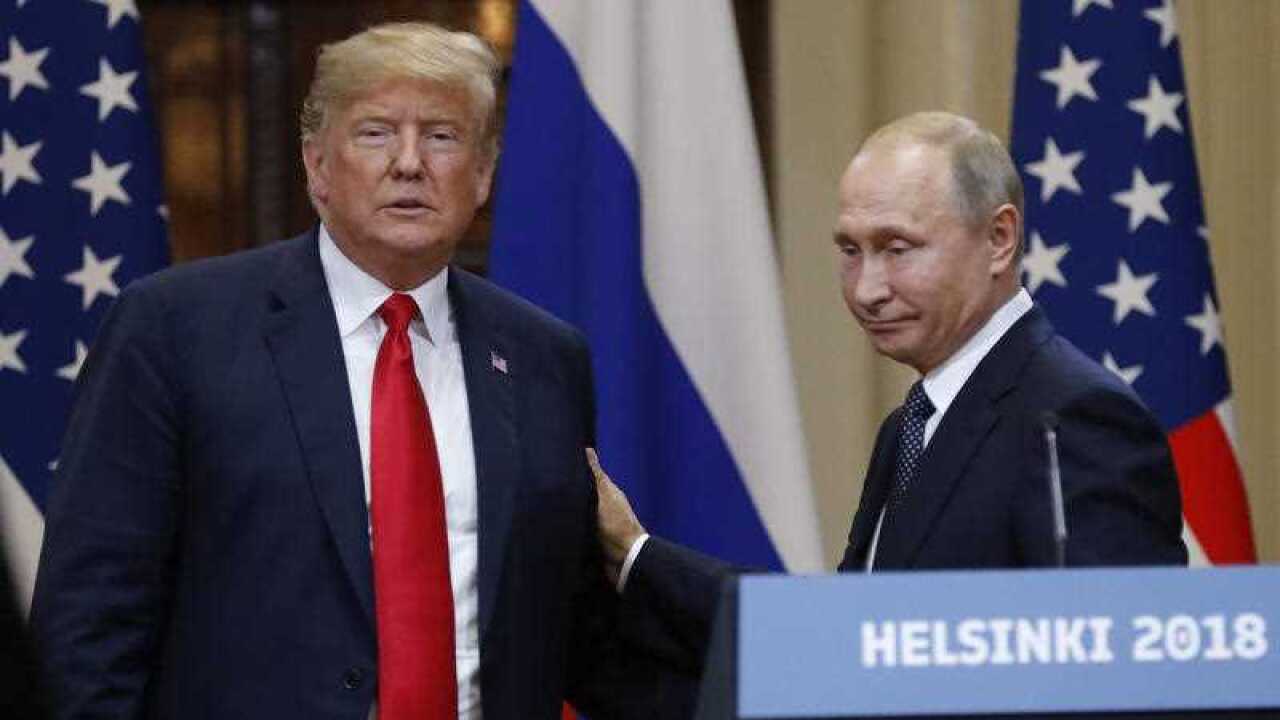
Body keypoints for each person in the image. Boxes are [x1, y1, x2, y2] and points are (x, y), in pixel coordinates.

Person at [32, 22, 694, 720]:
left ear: (484, 173)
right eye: (375, 133)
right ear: (317, 164)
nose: (409, 163)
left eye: (442, 136)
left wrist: (787, 679)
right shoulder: (175, 329)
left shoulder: (545, 358)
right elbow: (88, 628)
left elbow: (576, 633)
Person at [592, 111, 1187, 644]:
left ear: (999, 240)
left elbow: (1119, 665)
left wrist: (639, 556)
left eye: (897, 248)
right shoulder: (909, 427)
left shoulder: (1077, 418)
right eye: (850, 251)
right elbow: (857, 636)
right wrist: (637, 556)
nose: (868, 290)